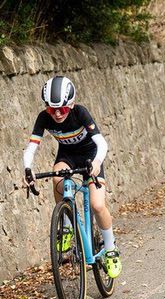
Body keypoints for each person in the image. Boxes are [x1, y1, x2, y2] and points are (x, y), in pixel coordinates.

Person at [23, 76, 123, 278]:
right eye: (52, 109)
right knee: (57, 179)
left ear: (72, 104)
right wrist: (28, 169)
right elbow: (31, 148)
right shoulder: (43, 118)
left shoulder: (80, 113)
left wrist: (95, 163)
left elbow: (102, 144)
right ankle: (67, 226)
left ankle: (111, 249)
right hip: (67, 156)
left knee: (97, 205)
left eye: (62, 109)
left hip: (89, 158)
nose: (57, 114)